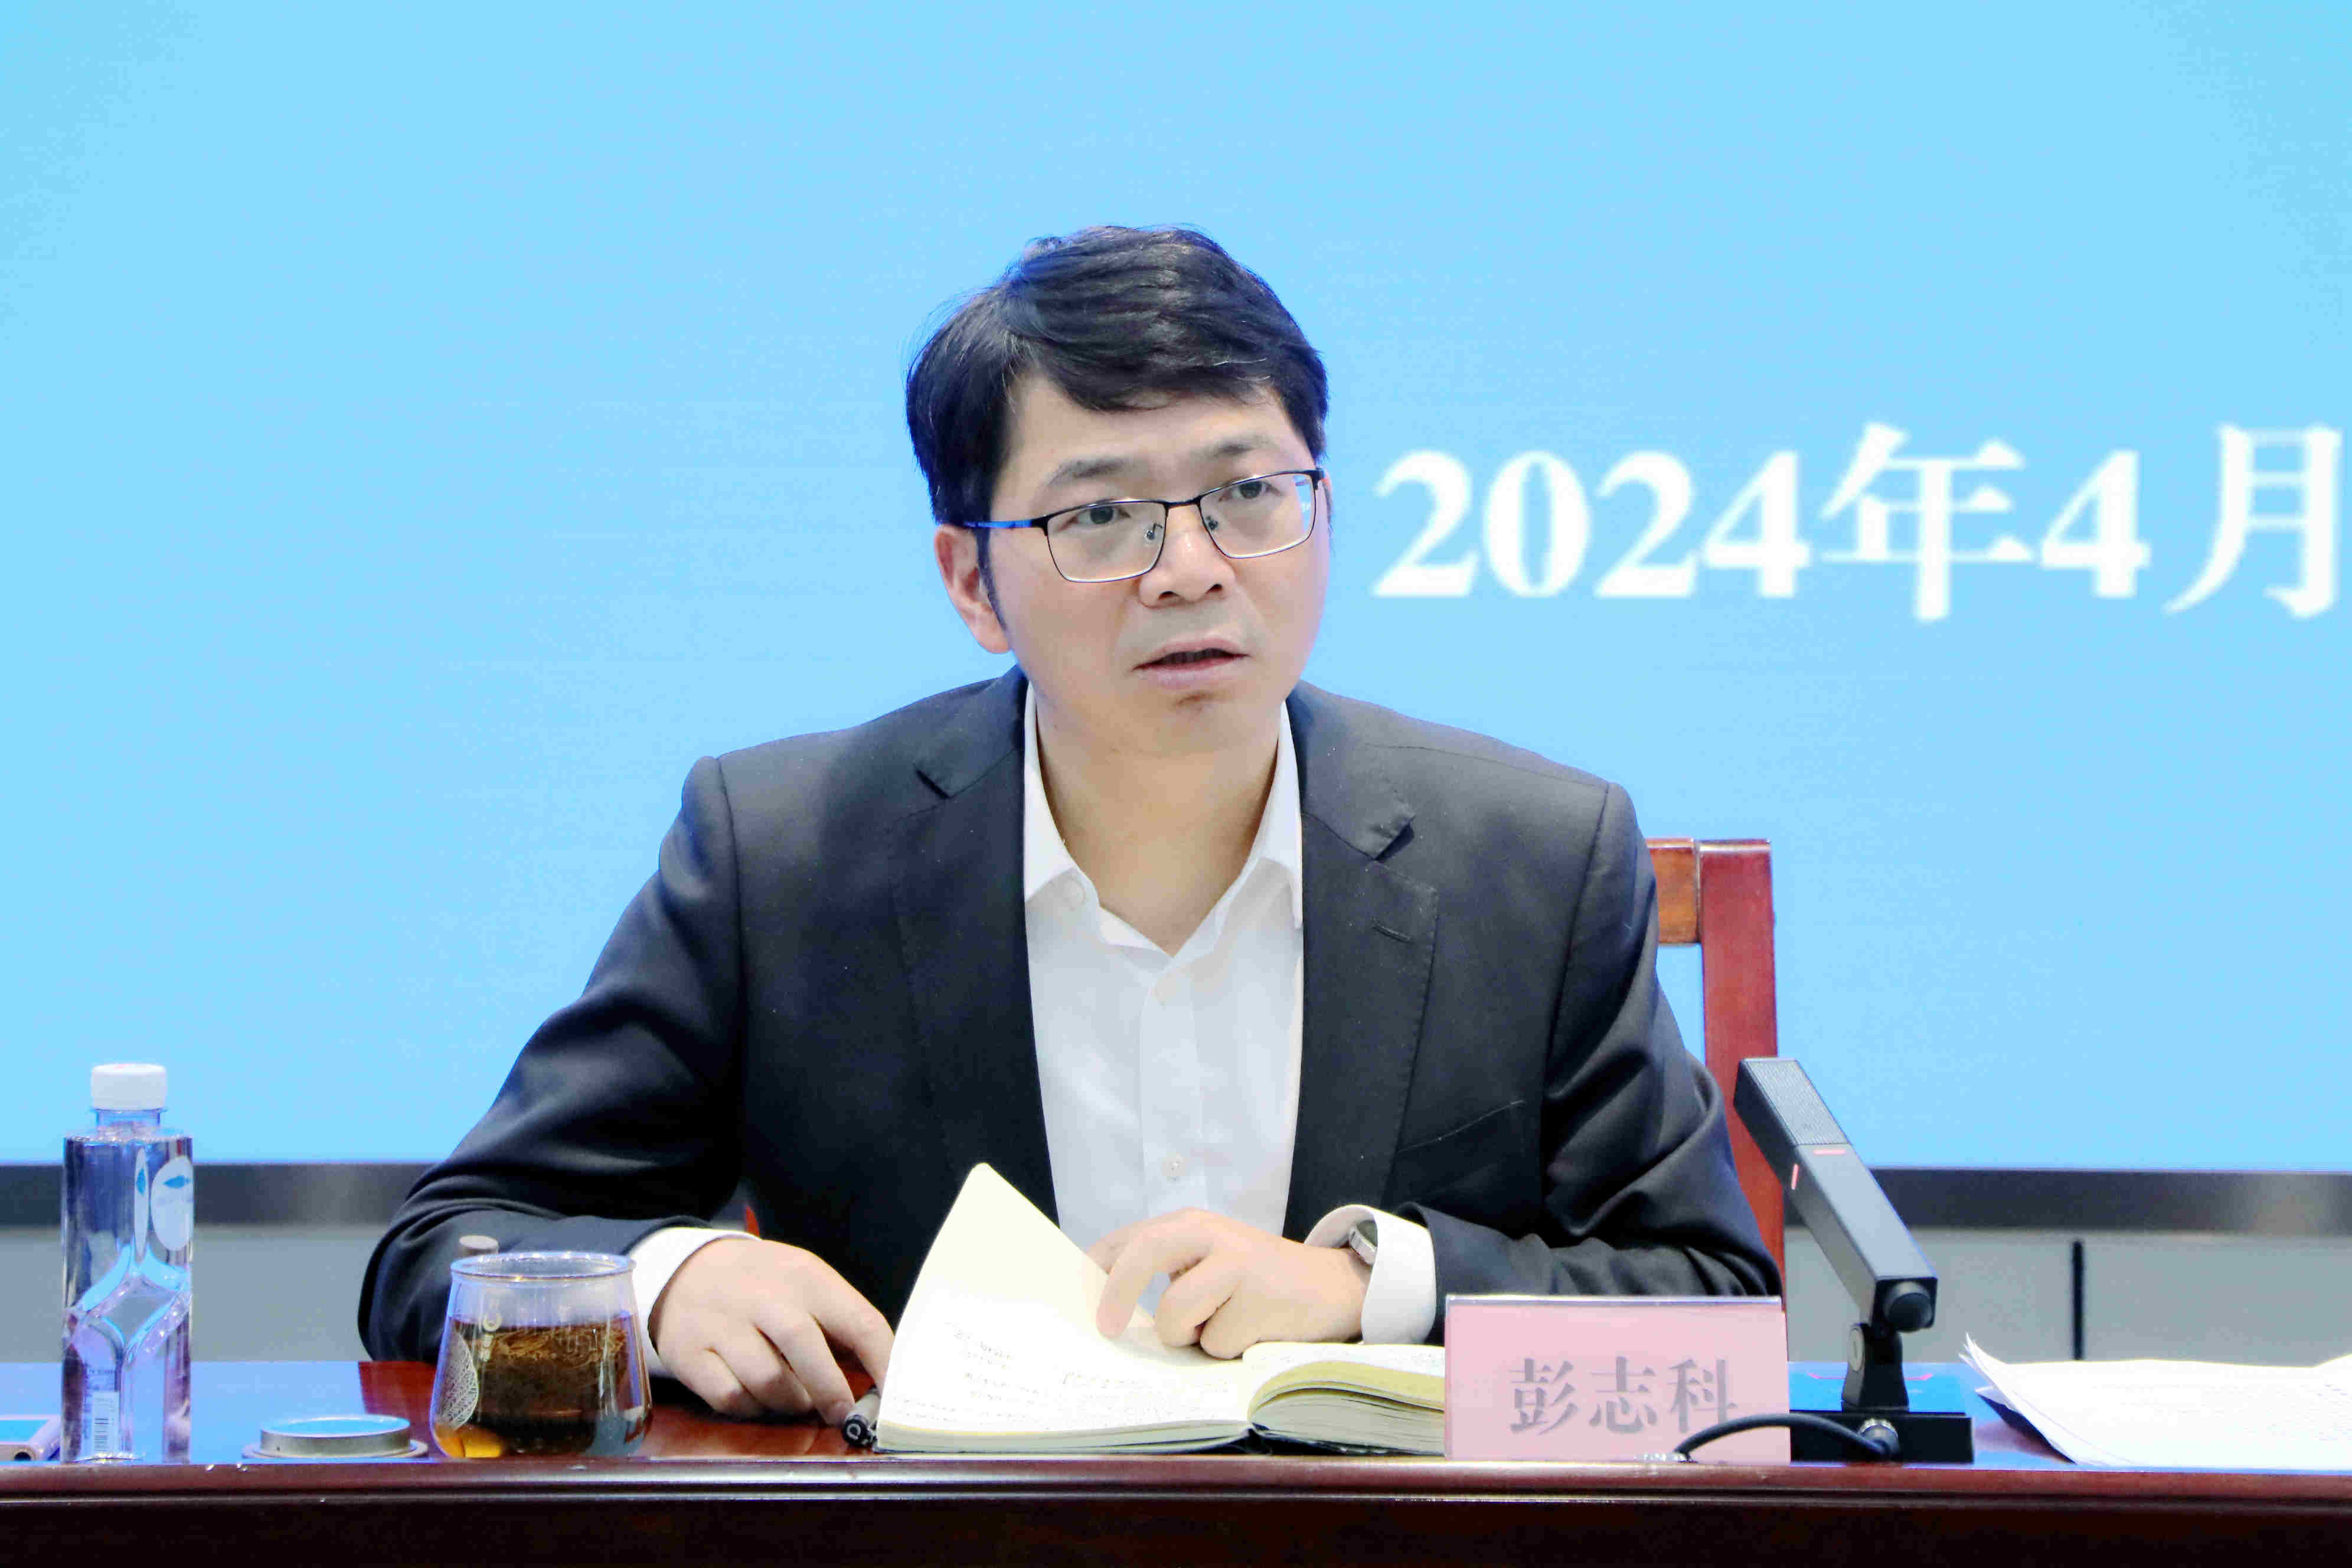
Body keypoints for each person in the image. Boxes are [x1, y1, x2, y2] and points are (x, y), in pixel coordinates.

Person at [360, 226, 1776, 1426]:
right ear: (971, 582)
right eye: (1101, 517)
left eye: (1249, 494)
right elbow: (444, 1250)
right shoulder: (782, 856)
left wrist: (1366, 1287)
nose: (1191, 568)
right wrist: (674, 1279)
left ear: (1325, 511)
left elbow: (1717, 1309)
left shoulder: (1533, 855)